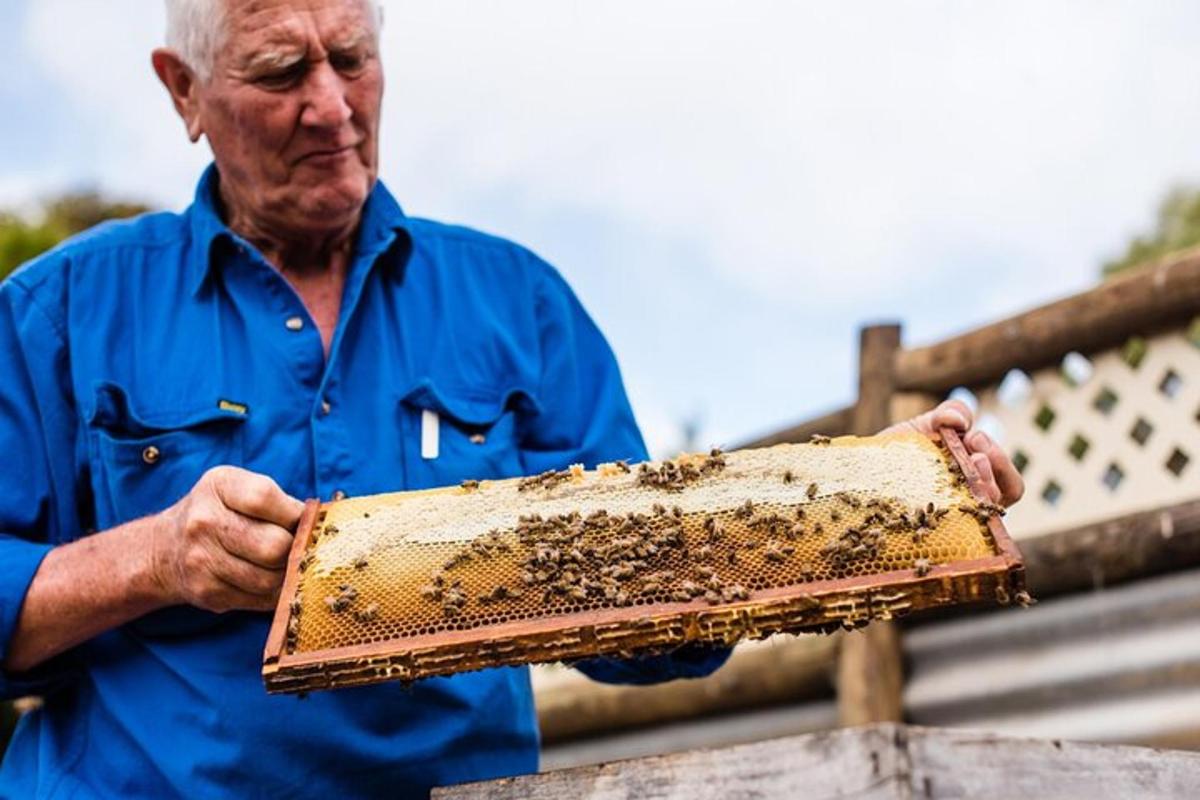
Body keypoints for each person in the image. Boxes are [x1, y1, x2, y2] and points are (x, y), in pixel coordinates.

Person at [0, 0, 1024, 796]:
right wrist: (154, 555)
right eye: (280, 71)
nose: (331, 105)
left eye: (352, 57)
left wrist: (877, 492)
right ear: (183, 91)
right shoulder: (59, 313)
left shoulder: (516, 299)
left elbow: (659, 587)